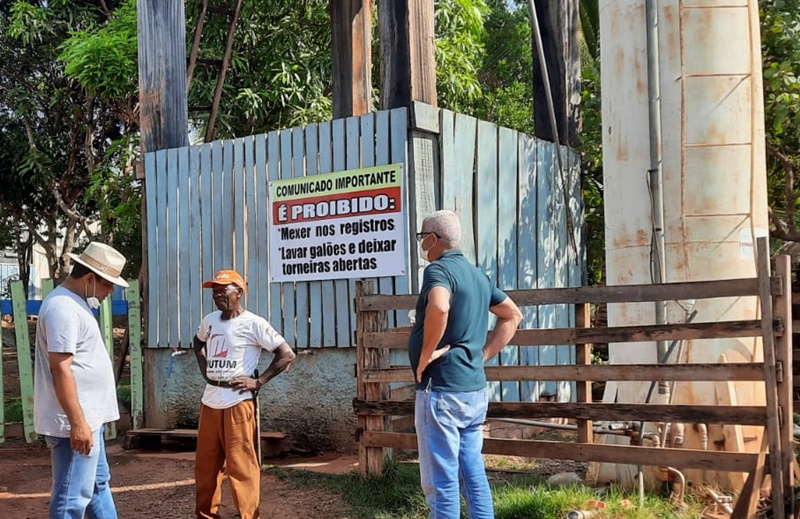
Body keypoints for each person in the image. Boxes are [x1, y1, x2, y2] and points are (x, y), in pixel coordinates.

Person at [409, 210, 523, 519]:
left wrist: (425, 354)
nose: (421, 246)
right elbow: (512, 315)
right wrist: (482, 355)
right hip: (473, 392)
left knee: (440, 481)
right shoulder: (477, 275)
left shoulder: (438, 271)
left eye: (422, 238)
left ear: (433, 239)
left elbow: (440, 306)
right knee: (472, 474)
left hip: (441, 390)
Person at [34, 241, 129, 519]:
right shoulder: (63, 308)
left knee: (98, 487)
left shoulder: (75, 304)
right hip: (74, 423)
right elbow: (61, 369)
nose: (111, 290)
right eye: (108, 283)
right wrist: (77, 423)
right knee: (71, 499)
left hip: (88, 420)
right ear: (90, 278)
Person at [192, 269, 296, 519]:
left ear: (239, 292)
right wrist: (206, 372)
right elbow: (197, 343)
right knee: (206, 467)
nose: (218, 294)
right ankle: (206, 515)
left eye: (223, 289)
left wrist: (258, 381)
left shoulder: (254, 323)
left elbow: (286, 354)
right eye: (215, 290)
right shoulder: (210, 321)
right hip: (210, 402)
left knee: (241, 467)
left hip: (238, 403)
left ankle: (249, 516)